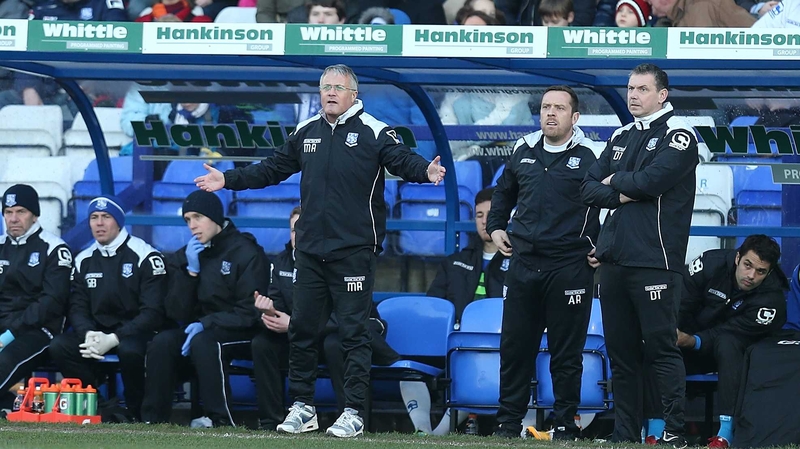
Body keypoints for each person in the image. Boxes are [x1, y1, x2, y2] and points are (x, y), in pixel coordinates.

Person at [195, 64, 445, 438]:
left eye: (337, 87)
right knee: (302, 331)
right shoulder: (306, 131)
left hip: (354, 250)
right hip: (310, 250)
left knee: (353, 333)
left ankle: (354, 412)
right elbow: (271, 169)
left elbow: (401, 159)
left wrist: (425, 170)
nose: (330, 92)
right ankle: (303, 407)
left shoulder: (374, 130)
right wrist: (228, 179)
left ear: (353, 95)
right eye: (325, 86)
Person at [581, 63, 699, 447]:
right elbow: (587, 187)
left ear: (662, 95)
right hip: (614, 262)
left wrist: (615, 182)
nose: (633, 95)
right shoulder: (621, 134)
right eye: (630, 88)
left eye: (642, 89)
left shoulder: (679, 134)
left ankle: (674, 432)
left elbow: (653, 181)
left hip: (655, 261)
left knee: (662, 350)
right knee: (622, 355)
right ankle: (625, 435)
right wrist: (624, 192)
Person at [487, 86, 601, 440]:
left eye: (559, 108)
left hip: (570, 266)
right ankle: (508, 423)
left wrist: (604, 245)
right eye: (546, 107)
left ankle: (565, 423)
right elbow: (503, 192)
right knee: (515, 348)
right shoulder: (523, 148)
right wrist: (495, 227)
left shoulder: (592, 155)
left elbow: (612, 202)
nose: (551, 113)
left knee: (566, 353)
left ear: (575, 117)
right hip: (523, 263)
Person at [251, 206, 400, 431]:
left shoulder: (338, 262)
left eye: (303, 229)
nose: (298, 235)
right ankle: (271, 421)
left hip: (333, 334)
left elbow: (344, 316)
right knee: (263, 344)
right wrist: (269, 312)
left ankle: (351, 417)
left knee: (334, 344)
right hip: (304, 338)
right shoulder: (281, 262)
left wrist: (293, 323)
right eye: (294, 230)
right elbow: (278, 304)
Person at [642, 235, 787, 448]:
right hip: (688, 343)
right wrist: (673, 333)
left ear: (770, 272)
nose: (751, 276)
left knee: (727, 344)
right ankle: (656, 431)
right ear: (737, 258)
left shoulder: (771, 301)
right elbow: (680, 303)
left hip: (735, 359)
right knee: (658, 341)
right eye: (747, 265)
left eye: (760, 271)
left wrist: (694, 341)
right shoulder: (710, 264)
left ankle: (725, 434)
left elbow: (732, 333)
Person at [141, 190, 268, 427]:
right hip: (201, 329)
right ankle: (152, 421)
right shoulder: (188, 254)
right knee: (163, 342)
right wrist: (190, 273)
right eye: (187, 219)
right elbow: (175, 311)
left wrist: (206, 324)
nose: (192, 225)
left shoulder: (246, 252)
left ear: (215, 217)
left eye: (198, 217)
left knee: (206, 342)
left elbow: (250, 312)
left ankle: (221, 420)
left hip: (243, 331)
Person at [398, 186, 510, 436]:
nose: (485, 221)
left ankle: (440, 433)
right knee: (410, 370)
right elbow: (434, 306)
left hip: (501, 346)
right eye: (479, 215)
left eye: (491, 214)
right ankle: (423, 431)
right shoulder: (455, 262)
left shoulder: (520, 262)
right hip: (453, 346)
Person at [49, 196, 167, 422]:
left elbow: (153, 312)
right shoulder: (83, 259)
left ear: (119, 222)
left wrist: (115, 338)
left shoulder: (145, 256)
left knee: (129, 350)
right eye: (94, 217)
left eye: (106, 217)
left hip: (136, 333)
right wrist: (87, 333)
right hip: (97, 333)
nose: (99, 223)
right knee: (60, 345)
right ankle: (100, 407)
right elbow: (77, 306)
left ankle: (136, 413)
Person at [0, 185, 72, 411]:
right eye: (8, 212)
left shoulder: (54, 248)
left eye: (20, 211)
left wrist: (8, 336)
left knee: (3, 361)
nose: (13, 218)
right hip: (3, 329)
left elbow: (51, 302)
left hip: (39, 331)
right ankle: (8, 404)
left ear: (35, 215)